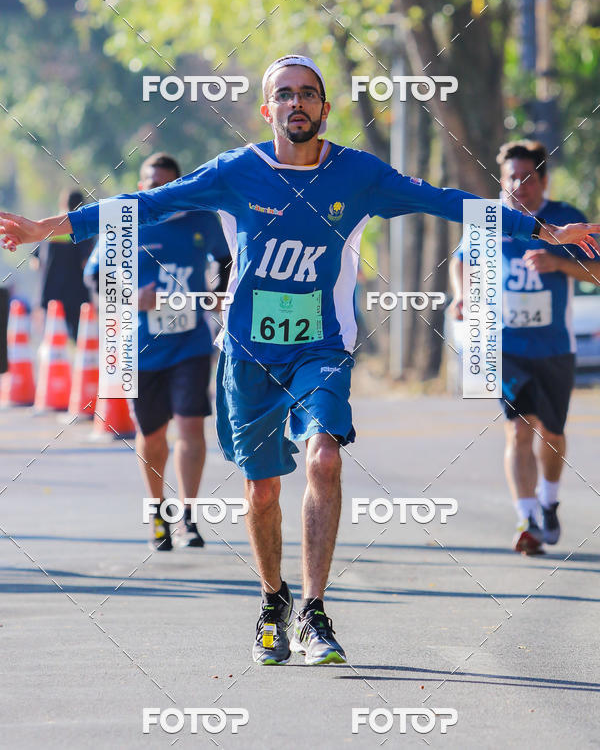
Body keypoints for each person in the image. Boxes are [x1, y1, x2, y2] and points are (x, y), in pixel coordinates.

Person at [2, 56, 599, 666]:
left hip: (322, 347)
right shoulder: (237, 172)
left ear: (323, 108)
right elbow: (141, 208)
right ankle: (272, 602)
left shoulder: (358, 175)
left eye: (308, 95)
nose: (296, 104)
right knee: (262, 493)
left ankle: (314, 612)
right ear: (268, 111)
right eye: (284, 95)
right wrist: (47, 226)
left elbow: (448, 203)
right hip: (249, 353)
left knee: (324, 458)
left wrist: (544, 234)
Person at [449, 140, 600, 554]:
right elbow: (461, 260)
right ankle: (527, 518)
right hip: (507, 346)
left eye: (528, 177)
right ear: (503, 179)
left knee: (552, 434)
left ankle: (549, 502)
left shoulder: (566, 219)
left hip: (555, 347)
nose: (519, 184)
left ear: (543, 180)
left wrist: (560, 264)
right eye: (512, 177)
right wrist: (464, 295)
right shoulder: (489, 217)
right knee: (518, 429)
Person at [84, 153, 230, 551]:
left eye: (165, 185)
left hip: (190, 344)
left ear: (178, 188)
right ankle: (158, 512)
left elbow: (227, 259)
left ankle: (188, 516)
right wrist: (132, 297)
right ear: (141, 184)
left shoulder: (201, 219)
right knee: (151, 437)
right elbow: (96, 280)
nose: (156, 191)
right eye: (150, 184)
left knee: (190, 425)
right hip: (138, 347)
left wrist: (218, 295)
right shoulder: (122, 222)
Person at [30, 189, 95, 340]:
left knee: (52, 340)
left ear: (62, 203)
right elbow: (86, 263)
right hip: (76, 296)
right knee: (78, 340)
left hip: (50, 294)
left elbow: (35, 263)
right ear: (82, 205)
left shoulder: (49, 228)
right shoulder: (83, 230)